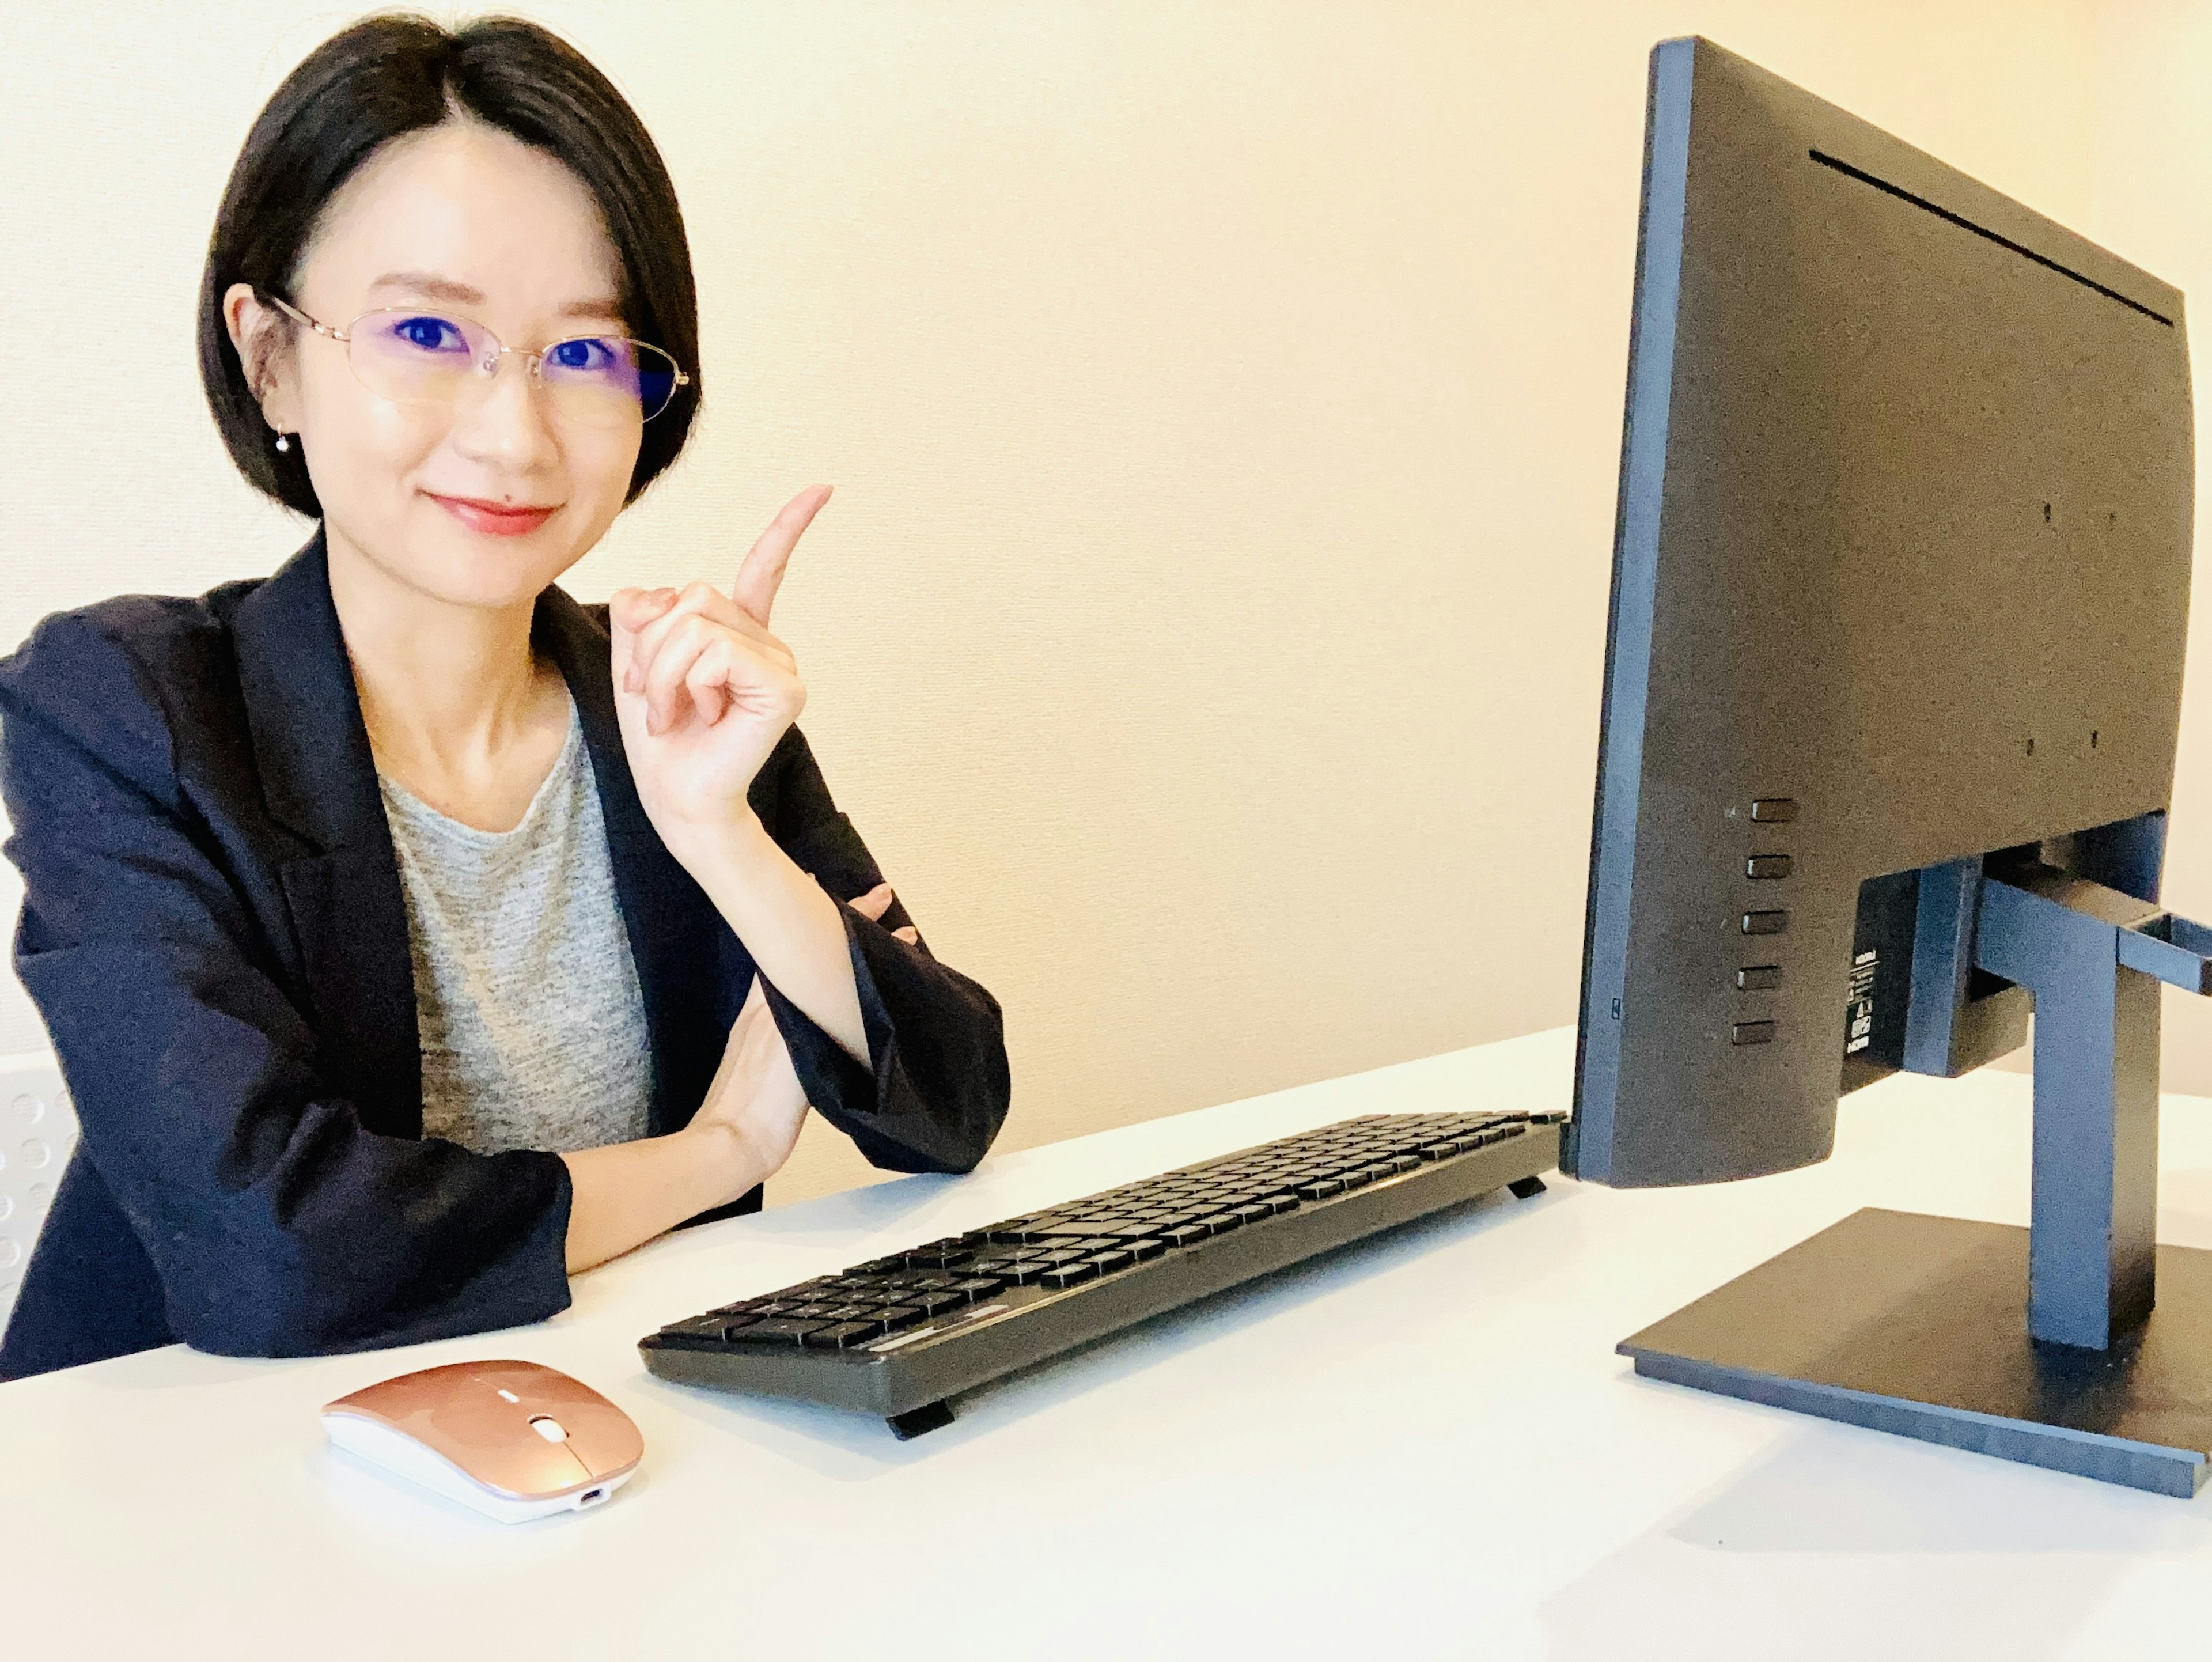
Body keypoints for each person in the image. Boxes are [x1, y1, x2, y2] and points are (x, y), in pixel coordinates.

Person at [0, 14, 1010, 1380]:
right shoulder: (125, 711)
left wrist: (726, 839)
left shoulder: (675, 701)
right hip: (187, 1479)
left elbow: (950, 1106)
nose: (514, 433)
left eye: (586, 355)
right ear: (272, 356)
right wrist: (711, 1158)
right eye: (428, 329)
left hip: (599, 1455)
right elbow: (282, 1251)